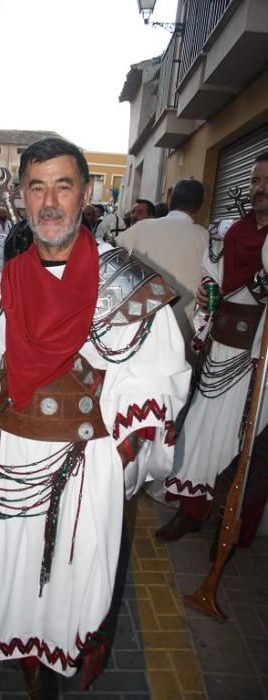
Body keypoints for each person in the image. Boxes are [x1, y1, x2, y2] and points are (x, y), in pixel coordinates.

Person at [0, 137, 189, 697]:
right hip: (10, 450)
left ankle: (37, 656)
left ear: (86, 194)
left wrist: (119, 451)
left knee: (60, 575)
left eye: (63, 186)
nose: (49, 202)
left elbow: (159, 375)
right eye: (37, 187)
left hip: (83, 460)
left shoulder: (128, 283)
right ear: (22, 197)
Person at [156, 152, 268, 543]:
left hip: (260, 361)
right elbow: (212, 275)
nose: (259, 188)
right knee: (200, 431)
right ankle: (190, 511)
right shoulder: (230, 232)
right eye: (255, 180)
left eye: (266, 181)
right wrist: (207, 294)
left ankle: (229, 524)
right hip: (221, 347)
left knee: (244, 442)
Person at [117, 179, 208, 362]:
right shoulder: (205, 238)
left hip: (136, 328)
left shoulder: (141, 228)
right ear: (200, 208)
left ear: (170, 201)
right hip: (181, 336)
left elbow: (114, 260)